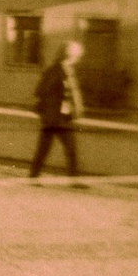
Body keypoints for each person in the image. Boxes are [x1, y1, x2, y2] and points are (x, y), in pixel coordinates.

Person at [29, 40, 85, 178]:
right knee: (45, 150)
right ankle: (33, 176)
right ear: (68, 55)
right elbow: (41, 91)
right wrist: (51, 109)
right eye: (77, 56)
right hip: (53, 118)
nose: (78, 59)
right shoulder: (54, 70)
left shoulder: (68, 70)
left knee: (69, 150)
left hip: (63, 117)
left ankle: (73, 179)